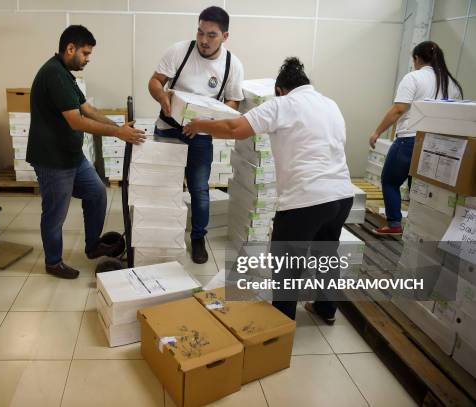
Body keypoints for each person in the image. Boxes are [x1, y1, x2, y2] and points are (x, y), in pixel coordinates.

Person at [183, 57, 355, 323]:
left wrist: (198, 125)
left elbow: (235, 128)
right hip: (342, 195)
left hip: (306, 198)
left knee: (287, 265)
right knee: (326, 253)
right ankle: (326, 309)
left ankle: (281, 326)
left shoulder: (282, 105)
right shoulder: (330, 104)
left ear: (280, 89)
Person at [26, 25, 145, 279]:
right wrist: (117, 134)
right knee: (55, 214)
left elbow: (86, 108)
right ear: (70, 49)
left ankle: (92, 246)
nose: (88, 59)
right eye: (86, 53)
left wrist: (117, 126)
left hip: (71, 154)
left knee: (96, 192)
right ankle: (53, 262)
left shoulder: (64, 73)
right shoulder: (54, 74)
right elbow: (77, 121)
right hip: (52, 159)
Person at [148, 6, 244, 264]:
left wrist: (206, 121)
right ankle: (162, 233)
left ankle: (198, 238)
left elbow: (233, 102)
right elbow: (155, 81)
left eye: (211, 35)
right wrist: (162, 96)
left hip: (201, 134)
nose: (203, 40)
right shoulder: (179, 51)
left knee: (199, 190)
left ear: (225, 36)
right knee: (164, 186)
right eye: (200, 32)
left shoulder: (231, 64)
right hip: (168, 128)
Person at [369, 41, 463, 236]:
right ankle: (416, 227)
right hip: (437, 143)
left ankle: (394, 224)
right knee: (418, 188)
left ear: (417, 59)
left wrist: (377, 132)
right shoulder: (451, 83)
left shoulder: (414, 78)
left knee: (390, 181)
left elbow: (399, 109)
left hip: (410, 140)